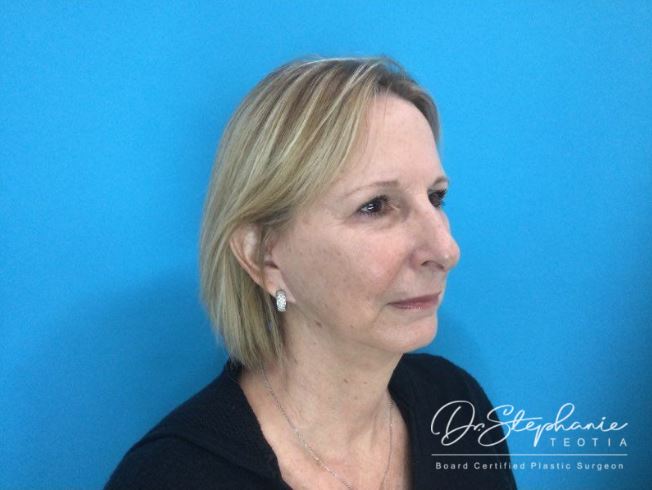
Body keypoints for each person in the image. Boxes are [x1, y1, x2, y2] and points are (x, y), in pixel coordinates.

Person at [106, 56, 517, 489]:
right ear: (263, 256)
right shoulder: (170, 478)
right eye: (375, 206)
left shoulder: (455, 409)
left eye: (435, 197)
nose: (446, 250)